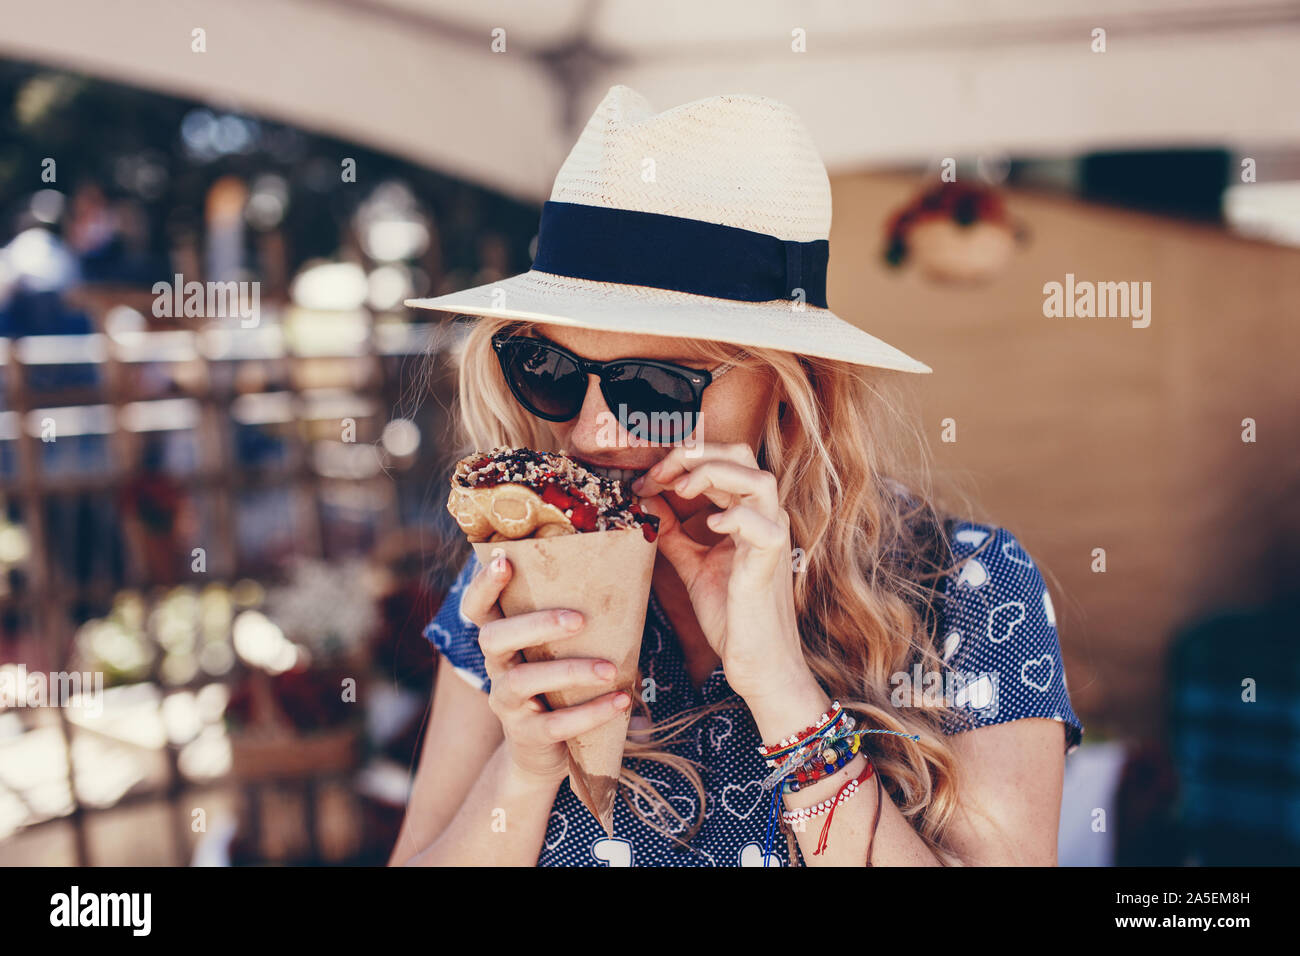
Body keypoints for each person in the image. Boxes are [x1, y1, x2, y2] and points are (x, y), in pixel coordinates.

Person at [389, 86, 1082, 867]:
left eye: (651, 387)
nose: (590, 431)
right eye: (547, 368)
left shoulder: (966, 586)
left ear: (788, 388)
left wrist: (782, 689)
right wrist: (522, 768)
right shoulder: (521, 583)